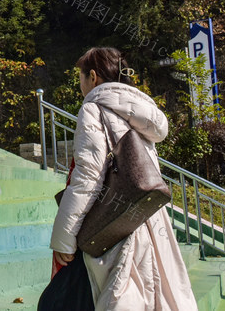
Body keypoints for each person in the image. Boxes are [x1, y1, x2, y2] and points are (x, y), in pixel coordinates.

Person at [49, 47, 197, 311]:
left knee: (121, 297)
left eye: (81, 78)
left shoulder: (93, 108)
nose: (81, 85)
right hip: (147, 219)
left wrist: (64, 237)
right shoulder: (142, 113)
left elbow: (88, 177)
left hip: (112, 226)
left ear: (92, 77)